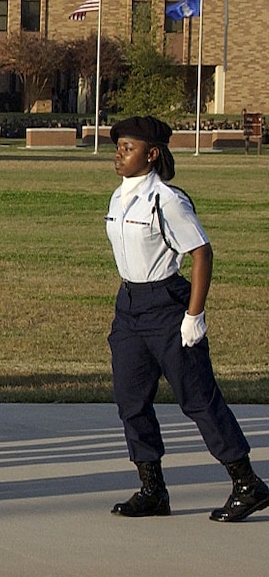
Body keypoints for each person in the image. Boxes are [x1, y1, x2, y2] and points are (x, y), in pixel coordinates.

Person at [102, 117, 268, 522]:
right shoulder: (119, 198)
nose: (119, 155)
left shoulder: (168, 200)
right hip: (130, 305)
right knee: (130, 400)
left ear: (152, 154)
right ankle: (153, 489)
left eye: (128, 148)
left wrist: (194, 314)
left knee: (197, 397)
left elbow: (201, 253)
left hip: (166, 304)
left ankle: (246, 483)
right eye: (119, 147)